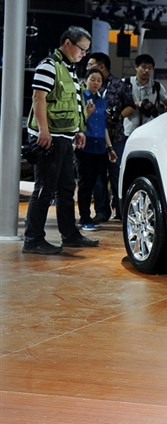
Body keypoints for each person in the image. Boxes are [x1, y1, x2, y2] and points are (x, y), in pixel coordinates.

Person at [22, 26, 99, 254]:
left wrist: (78, 130)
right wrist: (43, 131)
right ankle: (33, 239)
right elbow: (38, 98)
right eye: (82, 49)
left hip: (64, 137)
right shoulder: (48, 66)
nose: (84, 54)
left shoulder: (69, 69)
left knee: (66, 188)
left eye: (86, 51)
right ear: (68, 44)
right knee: (44, 188)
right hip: (50, 137)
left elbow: (71, 104)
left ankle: (70, 234)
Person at [85, 52, 134, 222]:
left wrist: (119, 116)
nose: (87, 67)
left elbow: (130, 106)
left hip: (116, 136)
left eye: (90, 64)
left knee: (116, 174)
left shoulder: (119, 85)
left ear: (101, 66)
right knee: (98, 176)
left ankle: (121, 210)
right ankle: (101, 212)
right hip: (95, 137)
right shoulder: (87, 85)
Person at [75, 67, 117, 231]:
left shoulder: (102, 101)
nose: (95, 83)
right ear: (86, 80)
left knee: (98, 183)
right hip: (85, 145)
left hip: (100, 147)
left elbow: (104, 127)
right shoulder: (80, 98)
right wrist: (86, 113)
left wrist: (110, 148)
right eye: (92, 79)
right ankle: (84, 217)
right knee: (85, 183)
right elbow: (77, 121)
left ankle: (94, 215)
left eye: (99, 80)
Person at [122, 53, 167, 139]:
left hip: (150, 131)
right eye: (144, 67)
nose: (147, 70)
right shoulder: (126, 83)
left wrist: (162, 116)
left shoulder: (157, 86)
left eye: (150, 68)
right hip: (129, 131)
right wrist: (137, 104)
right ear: (136, 67)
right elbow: (117, 102)